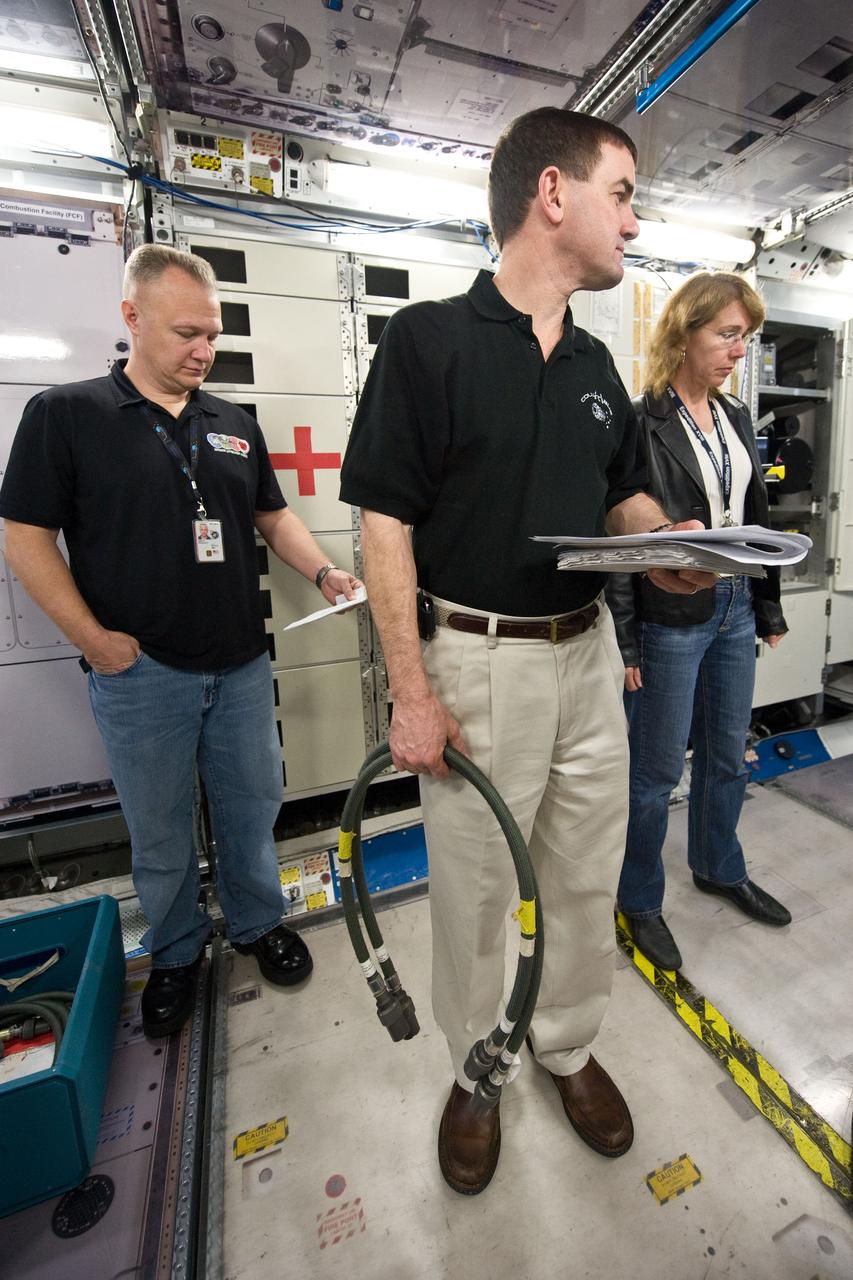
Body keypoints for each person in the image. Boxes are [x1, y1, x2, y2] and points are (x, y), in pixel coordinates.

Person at [339, 107, 715, 1196]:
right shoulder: (428, 341)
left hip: (586, 649)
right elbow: (382, 521)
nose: (634, 225)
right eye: (624, 194)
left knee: (584, 873)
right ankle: (478, 1066)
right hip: (475, 658)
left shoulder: (596, 360)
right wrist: (410, 690)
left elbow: (622, 494)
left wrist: (668, 546)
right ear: (554, 193)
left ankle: (562, 1041)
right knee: (470, 891)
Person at [0, 245, 362, 1037]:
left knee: (250, 809)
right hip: (141, 674)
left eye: (213, 336)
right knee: (160, 830)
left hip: (239, 664)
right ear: (131, 318)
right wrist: (94, 640)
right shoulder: (68, 415)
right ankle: (173, 952)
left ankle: (258, 923)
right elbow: (25, 536)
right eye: (186, 333)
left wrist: (326, 573)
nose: (203, 351)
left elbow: (271, 515)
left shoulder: (232, 424)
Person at [607, 272, 791, 973]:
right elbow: (623, 533)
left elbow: (756, 519)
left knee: (723, 755)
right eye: (726, 335)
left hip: (733, 607)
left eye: (743, 337)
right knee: (653, 774)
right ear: (684, 332)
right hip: (669, 617)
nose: (737, 351)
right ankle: (640, 898)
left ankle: (718, 865)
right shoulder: (640, 419)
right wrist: (625, 636)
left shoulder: (736, 417)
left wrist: (766, 604)